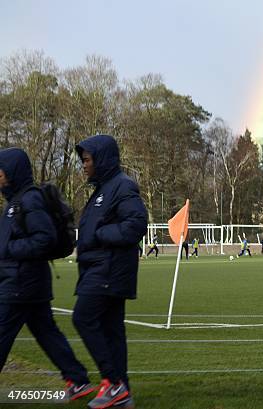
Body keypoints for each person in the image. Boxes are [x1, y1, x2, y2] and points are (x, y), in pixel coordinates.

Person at [0, 148, 95, 402]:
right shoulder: (16, 201)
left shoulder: (28, 200)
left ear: (11, 171)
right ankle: (77, 380)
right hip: (28, 283)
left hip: (21, 284)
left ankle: (78, 379)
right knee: (47, 333)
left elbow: (44, 239)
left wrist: (7, 249)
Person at [72, 135, 147, 409]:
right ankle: (122, 392)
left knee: (83, 317)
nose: (83, 165)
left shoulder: (122, 186)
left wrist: (101, 234)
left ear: (101, 159)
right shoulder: (104, 189)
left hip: (109, 271)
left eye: (87, 159)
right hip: (102, 270)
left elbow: (136, 224)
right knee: (112, 330)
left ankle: (113, 384)